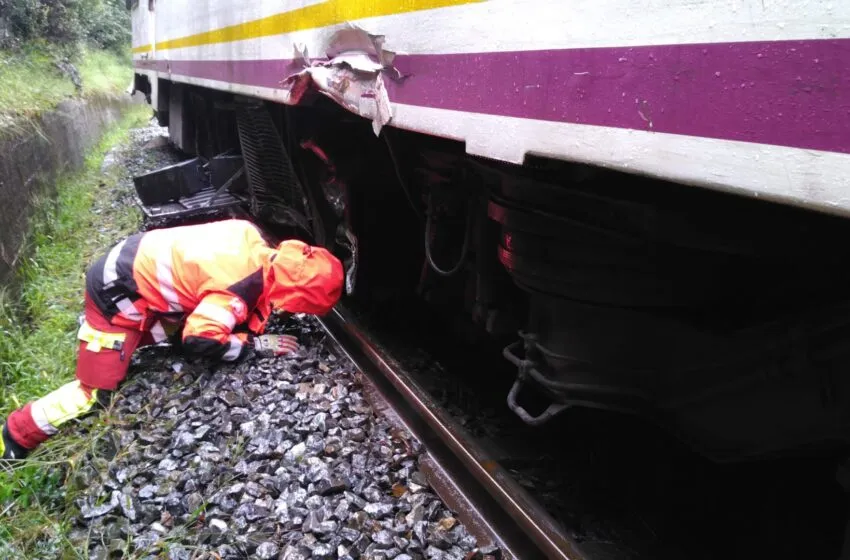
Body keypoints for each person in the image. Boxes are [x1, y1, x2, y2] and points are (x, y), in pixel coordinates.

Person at [0, 218, 344, 460]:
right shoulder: (232, 293)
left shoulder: (249, 236)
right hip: (115, 294)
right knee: (94, 393)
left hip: (130, 267)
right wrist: (252, 345)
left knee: (168, 335)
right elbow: (200, 339)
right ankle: (15, 436)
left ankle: (119, 341)